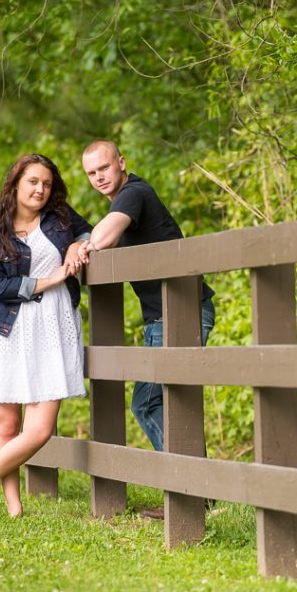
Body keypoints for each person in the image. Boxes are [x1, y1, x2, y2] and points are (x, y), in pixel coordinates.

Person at [0, 153, 92, 517]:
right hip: (8, 331)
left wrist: (79, 245)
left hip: (52, 326)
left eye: (46, 183)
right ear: (15, 185)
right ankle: (15, 508)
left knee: (40, 428)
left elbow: (88, 231)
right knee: (7, 424)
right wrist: (53, 278)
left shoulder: (60, 218)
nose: (40, 189)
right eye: (33, 181)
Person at [78, 139, 215, 466]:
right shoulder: (125, 201)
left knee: (148, 404)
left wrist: (85, 246)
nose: (99, 177)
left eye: (105, 167)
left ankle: (193, 488)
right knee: (168, 403)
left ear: (122, 163)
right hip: (167, 315)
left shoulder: (134, 194)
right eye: (91, 173)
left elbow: (104, 238)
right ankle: (196, 490)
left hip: (178, 314)